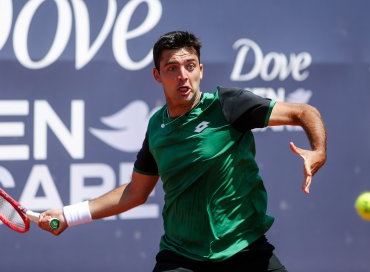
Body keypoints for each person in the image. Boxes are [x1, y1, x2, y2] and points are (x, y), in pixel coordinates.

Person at [39, 31, 327, 272]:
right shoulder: (156, 127)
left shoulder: (228, 105)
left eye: (190, 66)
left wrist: (318, 150)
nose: (183, 76)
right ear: (157, 75)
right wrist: (69, 214)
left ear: (201, 69)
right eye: (172, 69)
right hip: (182, 258)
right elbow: (135, 193)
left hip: (246, 250)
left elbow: (304, 112)